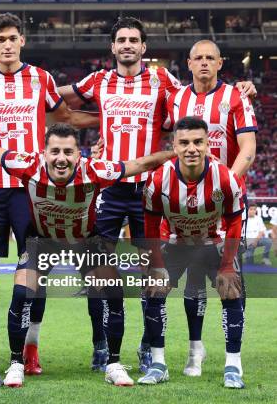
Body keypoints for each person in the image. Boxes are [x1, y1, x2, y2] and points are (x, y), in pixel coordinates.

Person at [58, 18, 256, 374]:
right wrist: (98, 124)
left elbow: (193, 109)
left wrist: (243, 89)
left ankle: (150, 346)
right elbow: (56, 103)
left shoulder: (165, 82)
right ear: (113, 47)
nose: (128, 45)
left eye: (134, 39)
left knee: (156, 271)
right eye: (122, 40)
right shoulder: (99, 80)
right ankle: (100, 344)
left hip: (151, 191)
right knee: (96, 268)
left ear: (144, 47)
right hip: (107, 187)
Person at [0, 123, 174, 387]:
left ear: (79, 154)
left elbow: (141, 164)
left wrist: (175, 153)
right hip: (43, 241)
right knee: (21, 292)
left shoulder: (95, 170)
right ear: (44, 153)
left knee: (114, 291)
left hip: (85, 241)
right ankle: (16, 363)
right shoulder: (27, 165)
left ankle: (114, 363)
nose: (61, 158)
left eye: (68, 152)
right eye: (55, 151)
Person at [0, 12, 98, 376]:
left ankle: (30, 347)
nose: (6, 44)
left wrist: (107, 121)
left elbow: (64, 117)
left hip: (30, 191)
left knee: (36, 272)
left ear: (23, 40)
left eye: (12, 38)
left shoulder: (41, 79)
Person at [163, 39, 257, 377]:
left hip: (224, 203)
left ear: (220, 63)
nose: (204, 63)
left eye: (210, 58)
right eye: (198, 58)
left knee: (229, 276)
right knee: (193, 278)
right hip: (183, 207)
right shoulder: (176, 99)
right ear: (188, 63)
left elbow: (248, 148)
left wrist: (221, 186)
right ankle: (195, 350)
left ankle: (234, 358)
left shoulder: (235, 98)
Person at [140, 116, 246, 389]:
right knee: (153, 288)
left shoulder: (226, 178)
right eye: (184, 142)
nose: (191, 148)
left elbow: (235, 221)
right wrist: (157, 264)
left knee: (231, 288)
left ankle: (233, 366)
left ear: (208, 144)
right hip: (175, 243)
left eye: (198, 142)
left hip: (214, 243)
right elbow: (150, 224)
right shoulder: (157, 180)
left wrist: (226, 265)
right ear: (174, 145)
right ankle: (158, 364)